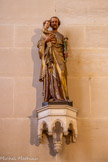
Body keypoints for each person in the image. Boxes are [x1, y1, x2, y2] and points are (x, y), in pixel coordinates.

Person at [37, 16, 69, 102]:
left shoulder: (61, 36)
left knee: (62, 74)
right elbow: (40, 45)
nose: (54, 23)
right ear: (50, 24)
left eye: (56, 21)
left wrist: (65, 52)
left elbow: (64, 48)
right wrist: (46, 41)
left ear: (58, 23)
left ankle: (62, 96)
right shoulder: (46, 34)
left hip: (60, 59)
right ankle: (52, 96)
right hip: (50, 60)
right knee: (51, 75)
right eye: (52, 22)